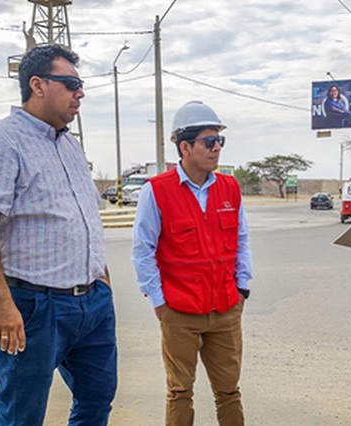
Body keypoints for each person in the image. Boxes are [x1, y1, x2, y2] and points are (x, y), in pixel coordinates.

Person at [0, 44, 116, 426]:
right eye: (71, 84)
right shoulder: (2, 142)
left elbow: (84, 217)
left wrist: (102, 276)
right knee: (23, 414)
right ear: (38, 85)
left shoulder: (71, 145)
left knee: (97, 400)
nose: (80, 93)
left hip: (93, 302)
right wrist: (1, 303)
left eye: (80, 85)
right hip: (35, 306)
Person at [131, 100, 253, 426]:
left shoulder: (230, 187)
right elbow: (142, 251)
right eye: (209, 141)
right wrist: (160, 303)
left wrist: (241, 289)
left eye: (220, 140)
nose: (217, 148)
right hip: (179, 311)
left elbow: (241, 240)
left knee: (229, 391)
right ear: (184, 147)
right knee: (180, 391)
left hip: (226, 308)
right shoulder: (156, 191)